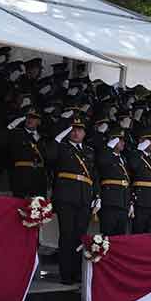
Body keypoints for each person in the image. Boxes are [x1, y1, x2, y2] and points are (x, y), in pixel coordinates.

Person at [52, 116, 98, 284]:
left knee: (80, 236)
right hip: (66, 196)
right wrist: (58, 137)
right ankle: (65, 274)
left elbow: (94, 175)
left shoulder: (89, 151)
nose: (76, 132)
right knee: (66, 235)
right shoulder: (62, 147)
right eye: (73, 129)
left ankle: (77, 272)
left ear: (84, 133)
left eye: (79, 129)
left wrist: (97, 195)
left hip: (84, 197)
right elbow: (50, 156)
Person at [96, 128, 131, 236]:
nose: (122, 143)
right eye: (119, 139)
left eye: (123, 140)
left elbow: (127, 180)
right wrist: (109, 147)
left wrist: (130, 201)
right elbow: (101, 163)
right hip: (110, 201)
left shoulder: (123, 159)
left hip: (123, 201)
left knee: (120, 237)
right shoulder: (105, 154)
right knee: (108, 235)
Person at [8, 109, 46, 198]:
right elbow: (2, 139)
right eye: (28, 117)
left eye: (34, 118)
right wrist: (11, 126)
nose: (30, 120)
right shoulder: (16, 133)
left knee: (39, 204)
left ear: (39, 122)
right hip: (22, 174)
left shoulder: (43, 137)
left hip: (39, 175)